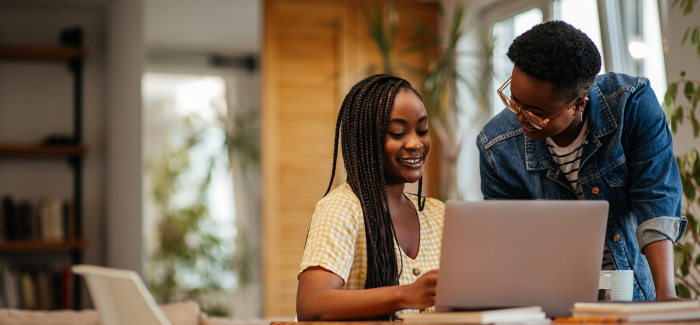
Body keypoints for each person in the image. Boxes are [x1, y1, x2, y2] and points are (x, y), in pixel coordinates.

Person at [477, 21, 686, 301]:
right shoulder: (496, 145)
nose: (519, 118)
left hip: (630, 290)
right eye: (514, 100)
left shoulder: (631, 106)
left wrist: (666, 296)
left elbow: (656, 200)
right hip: (548, 297)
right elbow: (507, 242)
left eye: (536, 113)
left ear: (579, 104)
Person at [296, 74, 445, 320]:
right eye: (397, 133)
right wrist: (405, 295)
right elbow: (311, 304)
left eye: (422, 130)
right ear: (366, 139)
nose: (415, 143)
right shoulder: (343, 208)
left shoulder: (438, 214)